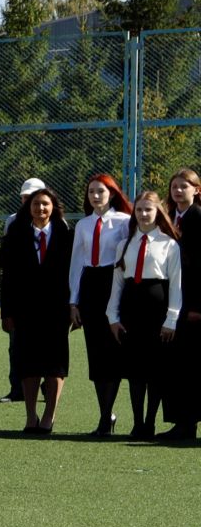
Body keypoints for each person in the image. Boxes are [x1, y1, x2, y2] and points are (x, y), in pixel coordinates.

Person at [106, 191, 184, 440]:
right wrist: (113, 316)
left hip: (156, 310)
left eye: (148, 210)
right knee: (135, 370)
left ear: (157, 212)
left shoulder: (169, 244)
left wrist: (171, 319)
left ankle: (150, 422)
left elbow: (176, 284)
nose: (143, 214)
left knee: (155, 371)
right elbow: (117, 281)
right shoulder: (125, 243)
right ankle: (138, 423)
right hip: (131, 310)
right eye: (138, 210)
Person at [0, 186, 74, 433]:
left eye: (45, 204)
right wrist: (6, 312)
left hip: (57, 311)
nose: (41, 208)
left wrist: (74, 307)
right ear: (28, 208)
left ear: (53, 207)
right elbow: (7, 277)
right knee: (27, 365)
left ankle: (49, 417)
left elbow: (75, 275)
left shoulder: (66, 235)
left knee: (55, 366)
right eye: (35, 204)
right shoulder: (15, 236)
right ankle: (31, 416)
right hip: (25, 312)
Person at [71, 175, 133, 436]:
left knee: (112, 353)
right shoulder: (83, 225)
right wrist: (73, 300)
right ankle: (105, 416)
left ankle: (107, 415)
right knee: (95, 354)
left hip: (114, 282)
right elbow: (76, 264)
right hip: (90, 286)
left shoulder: (124, 221)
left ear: (112, 193)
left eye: (101, 191)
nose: (95, 196)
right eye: (91, 192)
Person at [162, 169, 201, 441]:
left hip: (192, 306)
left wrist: (198, 306)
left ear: (196, 190)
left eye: (184, 186)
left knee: (194, 367)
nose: (178, 190)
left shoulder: (198, 217)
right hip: (172, 304)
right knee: (176, 366)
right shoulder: (167, 217)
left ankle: (189, 423)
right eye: (174, 186)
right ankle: (182, 423)